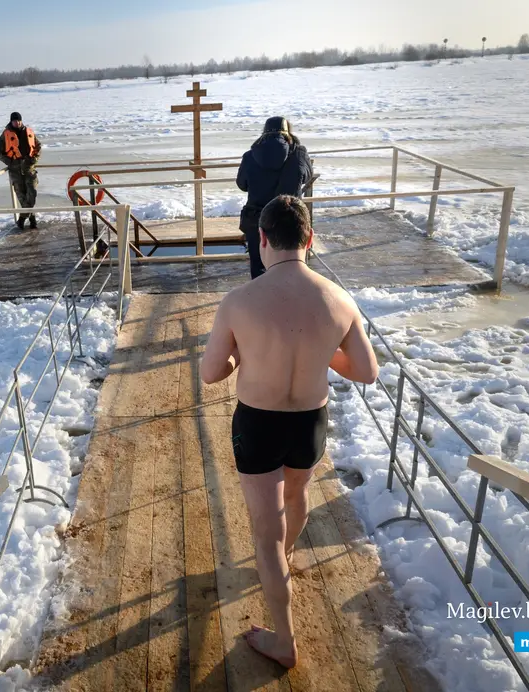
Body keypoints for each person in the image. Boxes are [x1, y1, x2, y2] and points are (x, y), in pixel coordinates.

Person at [200, 195, 379, 668]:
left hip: (258, 422)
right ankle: (287, 557)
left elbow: (210, 372)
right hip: (309, 423)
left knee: (264, 534)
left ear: (262, 240)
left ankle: (284, 641)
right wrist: (320, 352)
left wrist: (243, 356)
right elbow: (366, 370)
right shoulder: (338, 299)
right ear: (309, 239)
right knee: (296, 497)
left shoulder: (240, 300)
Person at [236, 116, 313, 279]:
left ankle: (261, 302)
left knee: (259, 271)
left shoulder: (250, 156)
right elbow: (306, 177)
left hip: (256, 219)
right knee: (292, 268)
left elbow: (242, 184)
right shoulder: (298, 153)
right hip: (290, 219)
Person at [0, 112, 43, 229]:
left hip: (29, 169)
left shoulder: (29, 132)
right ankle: (32, 220)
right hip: (15, 171)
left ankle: (21, 219)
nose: (17, 123)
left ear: (21, 121)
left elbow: (38, 146)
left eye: (18, 121)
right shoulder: (5, 135)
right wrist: (10, 162)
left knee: (32, 195)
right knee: (22, 197)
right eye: (14, 121)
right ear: (11, 121)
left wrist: (34, 159)